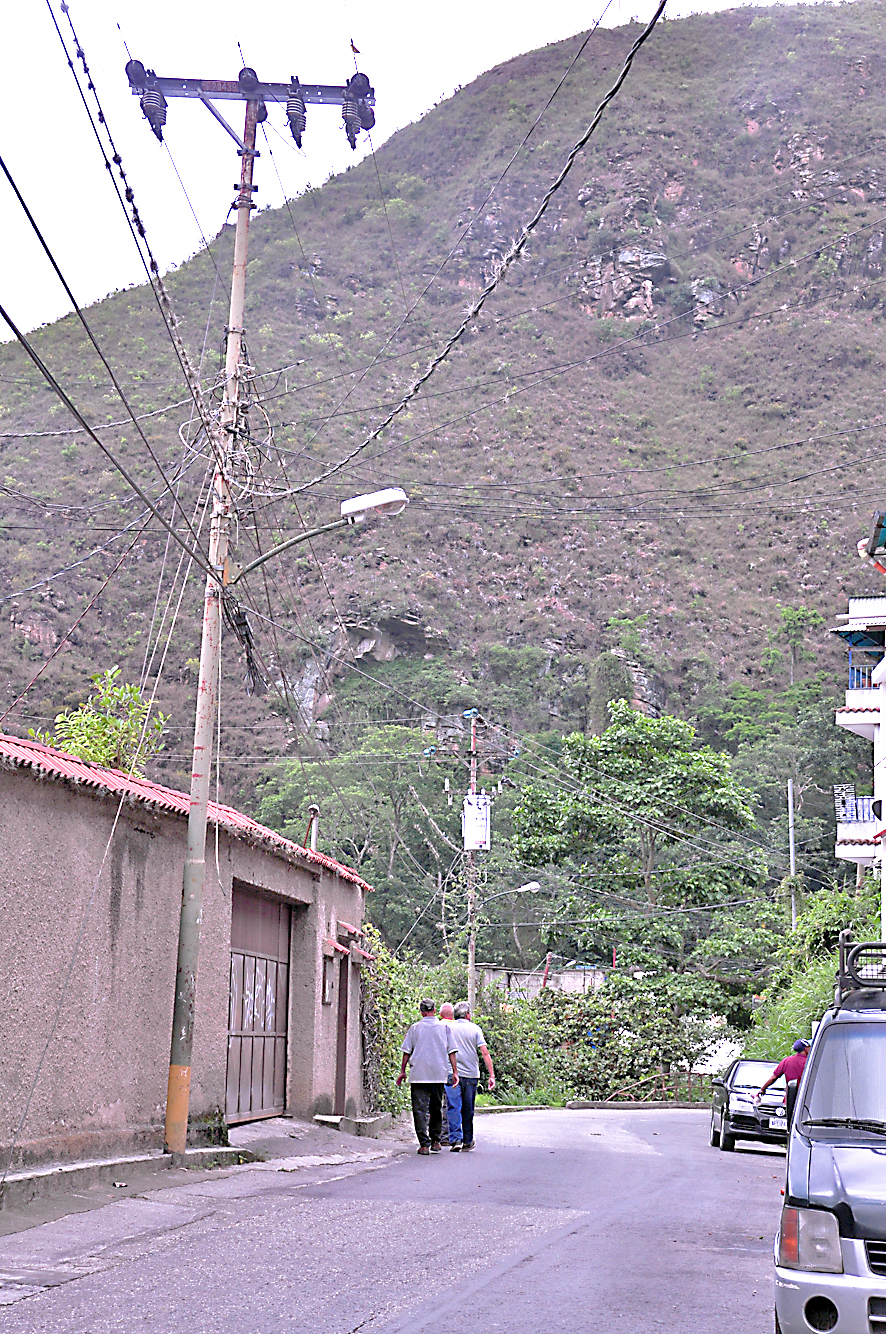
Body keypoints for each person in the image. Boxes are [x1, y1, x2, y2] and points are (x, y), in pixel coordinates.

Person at [396, 999, 458, 1155]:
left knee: (420, 1110)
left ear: (421, 1011)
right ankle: (436, 1141)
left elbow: (406, 1052)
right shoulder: (444, 1029)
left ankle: (424, 1144)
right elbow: (451, 1052)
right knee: (436, 1107)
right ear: (435, 1010)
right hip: (438, 1074)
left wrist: (402, 1071)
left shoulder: (414, 1029)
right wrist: (455, 1072)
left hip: (418, 1074)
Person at [445, 1001, 496, 1152]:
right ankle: (467, 1140)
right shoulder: (475, 1029)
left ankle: (455, 1140)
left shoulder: (448, 1028)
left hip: (451, 1073)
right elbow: (484, 1053)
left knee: (453, 1106)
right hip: (471, 1074)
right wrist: (491, 1075)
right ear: (468, 1014)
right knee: (468, 1108)